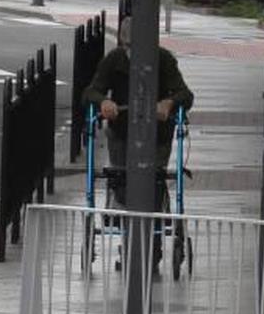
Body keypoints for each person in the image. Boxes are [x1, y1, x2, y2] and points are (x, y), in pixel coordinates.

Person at [82, 12, 194, 210]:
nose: (133, 53)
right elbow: (90, 92)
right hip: (122, 130)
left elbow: (185, 94)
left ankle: (155, 220)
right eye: (128, 47)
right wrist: (103, 102)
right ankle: (121, 210)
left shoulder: (164, 59)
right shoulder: (115, 59)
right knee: (121, 180)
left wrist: (168, 103)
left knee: (153, 182)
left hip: (157, 132)